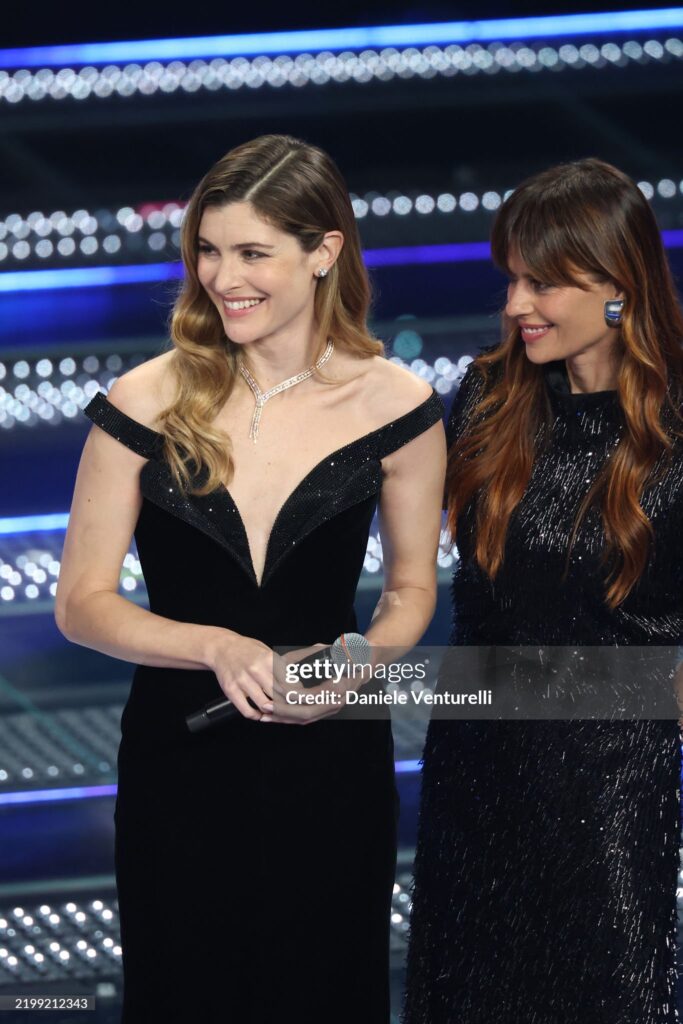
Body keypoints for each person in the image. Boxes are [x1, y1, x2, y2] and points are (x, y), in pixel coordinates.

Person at [55, 134, 446, 1023]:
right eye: (207, 250)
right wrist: (215, 646)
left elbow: (410, 591)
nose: (221, 277)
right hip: (180, 763)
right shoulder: (143, 400)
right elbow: (80, 603)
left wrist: (361, 657)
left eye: (251, 254)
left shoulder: (398, 406)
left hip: (333, 763)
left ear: (323, 252)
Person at [403, 158, 683, 1023]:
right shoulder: (490, 397)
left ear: (617, 287)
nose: (517, 303)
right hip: (477, 777)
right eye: (513, 279)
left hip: (613, 792)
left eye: (544, 282)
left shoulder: (675, 427)